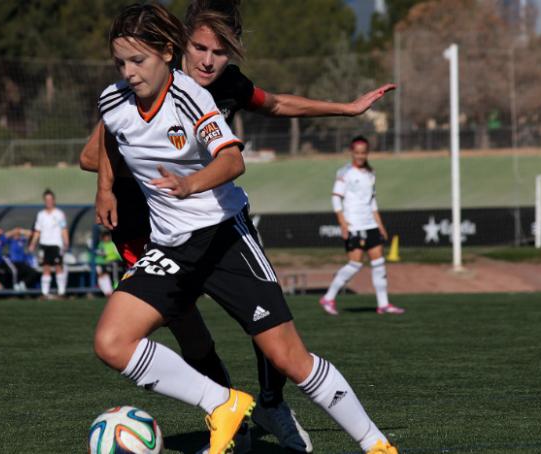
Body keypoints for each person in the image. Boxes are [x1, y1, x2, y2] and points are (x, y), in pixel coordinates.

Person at [80, 2, 396, 452]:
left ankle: (375, 443)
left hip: (224, 238)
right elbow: (111, 137)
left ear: (166, 53)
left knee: (289, 357)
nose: (128, 72)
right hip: (169, 247)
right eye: (120, 62)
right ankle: (223, 403)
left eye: (138, 60)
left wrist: (191, 183)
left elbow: (233, 158)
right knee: (112, 341)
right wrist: (105, 189)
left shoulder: (193, 97)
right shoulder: (113, 99)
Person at [320, 136, 405, 316]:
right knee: (355, 264)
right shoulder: (345, 172)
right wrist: (343, 223)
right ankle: (328, 297)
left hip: (370, 224)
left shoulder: (370, 173)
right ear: (352, 152)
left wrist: (380, 225)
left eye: (363, 152)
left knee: (379, 262)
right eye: (357, 152)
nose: (360, 156)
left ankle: (383, 304)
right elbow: (336, 197)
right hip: (354, 225)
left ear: (367, 153)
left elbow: (372, 201)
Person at [28, 189, 70, 298]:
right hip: (44, 244)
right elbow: (37, 231)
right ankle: (44, 293)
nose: (49, 201)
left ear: (54, 200)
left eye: (50, 199)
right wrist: (33, 243)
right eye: (46, 199)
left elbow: (63, 229)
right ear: (44, 201)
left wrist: (66, 241)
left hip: (56, 244)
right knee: (45, 267)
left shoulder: (59, 214)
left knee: (58, 266)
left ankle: (61, 292)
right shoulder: (41, 215)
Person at [5, 228, 38, 292]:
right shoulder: (11, 241)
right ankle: (18, 286)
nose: (17, 236)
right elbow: (5, 235)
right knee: (17, 273)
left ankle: (22, 284)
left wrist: (20, 231)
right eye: (15, 235)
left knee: (33, 272)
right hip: (14, 262)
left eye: (18, 235)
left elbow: (31, 234)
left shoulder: (21, 240)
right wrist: (14, 231)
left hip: (22, 262)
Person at [94, 230, 122, 296]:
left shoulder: (113, 244)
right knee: (102, 275)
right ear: (103, 238)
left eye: (109, 236)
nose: (108, 238)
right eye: (106, 237)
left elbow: (118, 254)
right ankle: (109, 290)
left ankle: (115, 284)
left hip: (115, 262)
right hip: (104, 263)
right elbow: (100, 255)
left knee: (114, 266)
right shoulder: (101, 245)